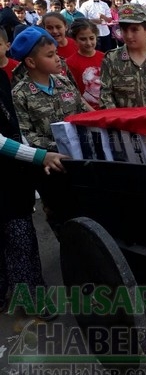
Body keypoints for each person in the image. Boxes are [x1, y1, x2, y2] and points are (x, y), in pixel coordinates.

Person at [0, 64, 67, 313]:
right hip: (8, 173)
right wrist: (40, 156)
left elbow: (14, 128)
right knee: (17, 238)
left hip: (11, 175)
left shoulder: (2, 77)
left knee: (19, 236)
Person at [11, 26, 90, 151]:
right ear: (31, 62)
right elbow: (25, 135)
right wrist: (61, 145)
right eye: (50, 55)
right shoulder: (20, 95)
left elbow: (83, 111)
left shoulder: (64, 83)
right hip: (50, 159)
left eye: (56, 53)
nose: (57, 59)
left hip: (81, 150)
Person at [66, 18, 105, 109]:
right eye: (83, 39)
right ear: (75, 40)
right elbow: (74, 93)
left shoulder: (105, 58)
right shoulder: (70, 63)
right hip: (86, 112)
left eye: (91, 38)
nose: (88, 43)